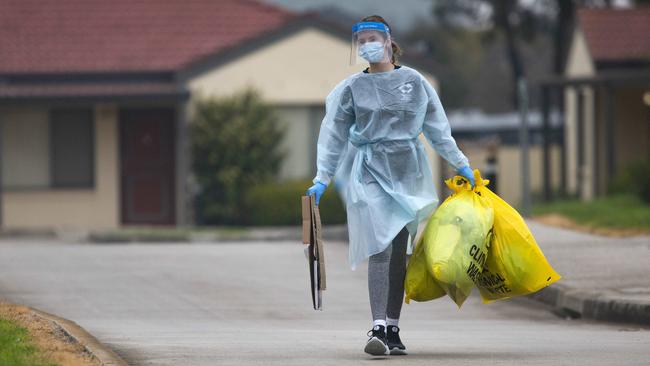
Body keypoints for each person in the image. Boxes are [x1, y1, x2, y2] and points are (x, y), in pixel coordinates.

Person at [306, 15, 474, 356]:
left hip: (408, 172)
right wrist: (322, 177)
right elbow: (334, 135)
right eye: (361, 39)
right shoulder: (351, 89)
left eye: (373, 37)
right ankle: (378, 326)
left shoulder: (415, 82)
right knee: (378, 247)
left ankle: (393, 327)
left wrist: (461, 163)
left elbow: (437, 128)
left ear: (388, 41)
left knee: (400, 250)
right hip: (369, 172)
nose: (367, 43)